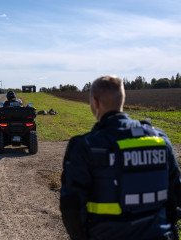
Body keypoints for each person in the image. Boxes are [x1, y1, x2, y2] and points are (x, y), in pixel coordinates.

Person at [60, 76, 181, 240]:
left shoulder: (85, 146)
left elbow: (71, 206)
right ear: (122, 99)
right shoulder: (160, 139)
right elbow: (175, 195)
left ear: (95, 102)